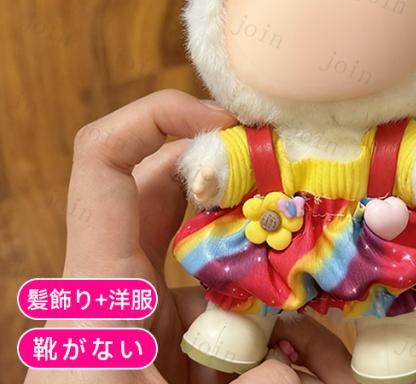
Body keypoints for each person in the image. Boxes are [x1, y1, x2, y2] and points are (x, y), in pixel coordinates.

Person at [23, 90, 355, 384]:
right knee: (246, 288)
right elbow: (225, 162)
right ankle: (235, 326)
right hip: (257, 238)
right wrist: (210, 173)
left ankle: (378, 333)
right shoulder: (252, 142)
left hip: (331, 231)